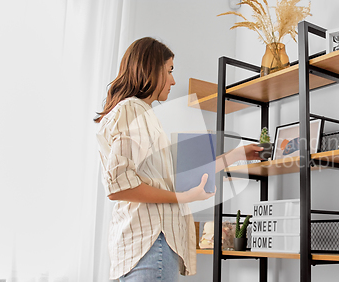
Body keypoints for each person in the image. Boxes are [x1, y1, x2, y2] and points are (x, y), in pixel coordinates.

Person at [95, 37, 263, 281]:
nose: (173, 80)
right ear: (150, 69)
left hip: (144, 243)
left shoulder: (139, 113)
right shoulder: (134, 109)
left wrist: (236, 154)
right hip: (152, 242)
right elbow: (119, 185)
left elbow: (178, 177)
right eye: (169, 71)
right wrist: (184, 197)